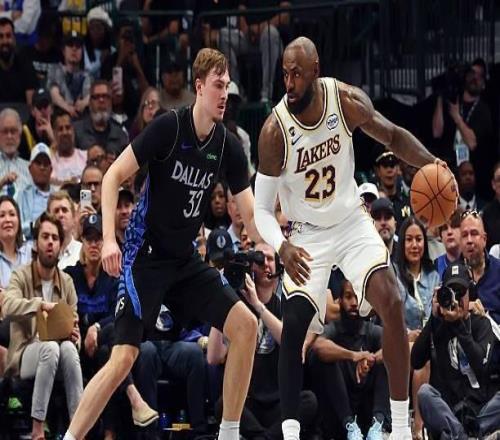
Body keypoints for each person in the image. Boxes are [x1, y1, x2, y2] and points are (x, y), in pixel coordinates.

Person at [254, 36, 453, 440]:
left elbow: (393, 136)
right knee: (295, 325)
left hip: (349, 221)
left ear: (315, 71)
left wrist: (431, 162)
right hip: (306, 233)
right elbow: (260, 209)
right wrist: (282, 245)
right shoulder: (275, 131)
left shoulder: (344, 101)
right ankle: (290, 434)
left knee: (391, 300)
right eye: (284, 75)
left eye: (296, 74)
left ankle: (400, 428)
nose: (289, 83)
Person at [63, 47, 261, 440]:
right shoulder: (168, 128)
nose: (224, 94)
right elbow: (111, 177)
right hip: (145, 257)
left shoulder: (228, 146)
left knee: (246, 326)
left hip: (184, 260)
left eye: (228, 86)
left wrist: (279, 242)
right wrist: (108, 241)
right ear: (199, 87)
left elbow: (252, 217)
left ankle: (229, 434)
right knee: (124, 357)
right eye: (218, 85)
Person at [209, 242, 318, 440]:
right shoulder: (238, 309)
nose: (265, 263)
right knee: (223, 404)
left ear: (278, 265)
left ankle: (261, 438)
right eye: (259, 259)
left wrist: (258, 306)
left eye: (269, 258)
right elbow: (214, 357)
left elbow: (291, 343)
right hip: (249, 402)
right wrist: (222, 301)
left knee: (308, 401)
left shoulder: (286, 304)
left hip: (280, 402)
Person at [2, 212, 83, 440]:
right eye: (45, 237)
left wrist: (74, 335)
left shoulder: (66, 282)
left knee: (68, 349)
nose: (50, 242)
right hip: (25, 355)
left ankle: (79, 427)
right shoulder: (20, 276)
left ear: (60, 245)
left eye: (55, 238)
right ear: (36, 243)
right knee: (50, 348)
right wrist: (38, 305)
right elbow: (7, 305)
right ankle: (38, 428)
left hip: (59, 354)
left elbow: (74, 321)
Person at [411, 262, 500, 439]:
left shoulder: (481, 323)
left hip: (481, 412)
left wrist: (460, 325)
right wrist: (433, 319)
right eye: (451, 292)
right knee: (424, 393)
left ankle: (465, 435)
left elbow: (481, 366)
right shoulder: (438, 326)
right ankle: (468, 437)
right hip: (448, 413)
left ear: (470, 294)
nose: (456, 299)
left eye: (461, 293)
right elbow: (416, 361)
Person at [310, 275, 389, 439]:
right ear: (339, 301)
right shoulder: (333, 328)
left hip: (366, 408)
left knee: (386, 360)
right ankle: (350, 426)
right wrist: (353, 355)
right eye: (348, 297)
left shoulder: (371, 330)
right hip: (338, 414)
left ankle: (378, 425)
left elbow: (396, 346)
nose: (354, 303)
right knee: (328, 359)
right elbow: (318, 346)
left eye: (357, 297)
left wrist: (371, 359)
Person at [18, 142, 55, 239]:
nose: (42, 167)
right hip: (28, 242)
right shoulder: (22, 195)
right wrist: (35, 225)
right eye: (38, 163)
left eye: (46, 164)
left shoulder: (57, 196)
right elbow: (17, 226)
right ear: (30, 168)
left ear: (51, 169)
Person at [434, 208, 463, 278]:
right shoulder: (435, 266)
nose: (449, 232)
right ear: (441, 236)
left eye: (454, 226)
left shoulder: (472, 262)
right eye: (445, 228)